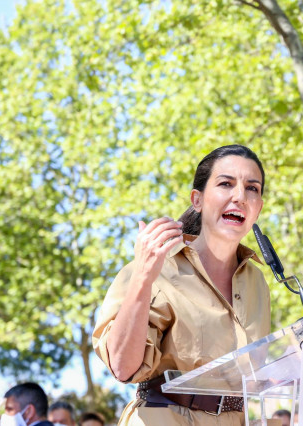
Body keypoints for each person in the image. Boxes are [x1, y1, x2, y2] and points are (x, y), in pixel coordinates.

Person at [93, 145, 271, 425]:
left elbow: (250, 372)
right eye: (226, 184)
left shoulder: (257, 282)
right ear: (197, 200)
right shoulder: (156, 266)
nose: (240, 196)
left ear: (258, 207)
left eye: (253, 188)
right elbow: (122, 367)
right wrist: (142, 277)